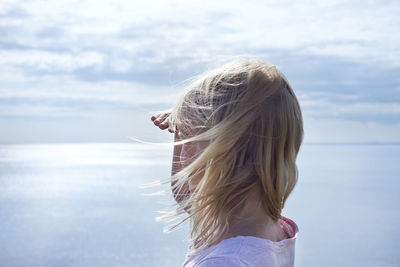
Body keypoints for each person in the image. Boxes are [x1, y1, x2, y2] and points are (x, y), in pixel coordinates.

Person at [151, 59, 303, 267]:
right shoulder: (268, 229)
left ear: (225, 151)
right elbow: (185, 195)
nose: (183, 148)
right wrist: (180, 128)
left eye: (188, 137)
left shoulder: (225, 261)